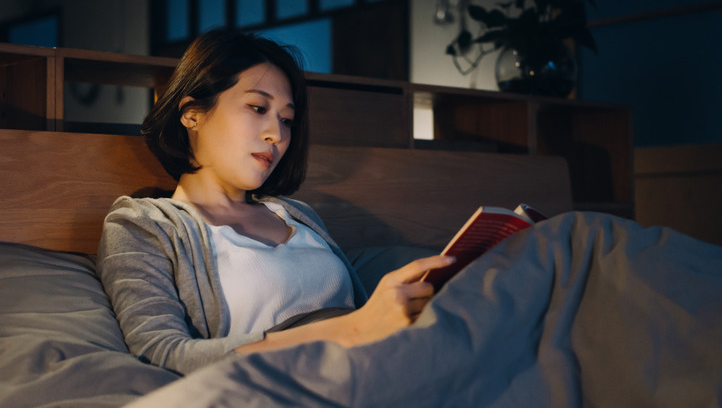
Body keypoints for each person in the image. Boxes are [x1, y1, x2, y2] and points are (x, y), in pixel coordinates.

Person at [96, 29, 455, 376]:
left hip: (386, 368)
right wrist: (352, 330)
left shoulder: (298, 216)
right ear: (191, 113)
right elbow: (161, 354)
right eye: (257, 107)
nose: (277, 134)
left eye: (287, 120)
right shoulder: (141, 225)